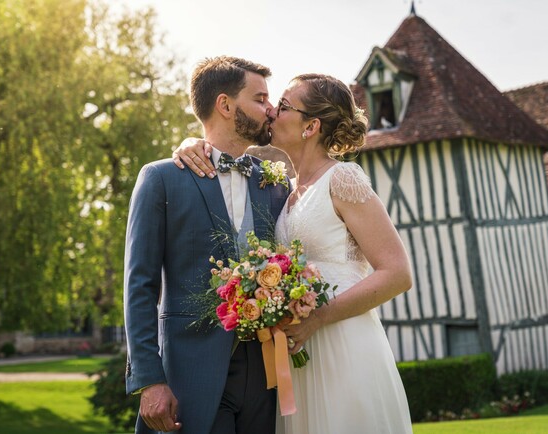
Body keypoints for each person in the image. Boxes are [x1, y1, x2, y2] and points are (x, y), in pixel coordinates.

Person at [174, 74, 413, 433]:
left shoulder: (343, 179)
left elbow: (397, 273)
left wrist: (318, 318)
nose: (271, 112)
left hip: (342, 345)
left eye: (284, 106)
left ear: (311, 126)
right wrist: (192, 142)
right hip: (298, 358)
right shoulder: (284, 191)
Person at [124, 56, 291, 434]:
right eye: (261, 98)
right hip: (192, 377)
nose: (271, 110)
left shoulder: (275, 182)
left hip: (267, 376)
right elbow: (140, 286)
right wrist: (149, 380)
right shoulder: (162, 178)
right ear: (226, 105)